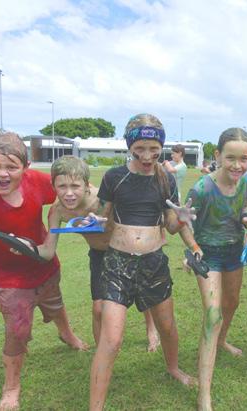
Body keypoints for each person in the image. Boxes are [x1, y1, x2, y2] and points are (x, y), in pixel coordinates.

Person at [89, 114, 198, 411]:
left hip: (153, 263)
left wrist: (183, 222)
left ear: (161, 147)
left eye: (154, 149)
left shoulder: (166, 179)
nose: (147, 156)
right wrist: (91, 220)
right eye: (140, 149)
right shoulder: (114, 177)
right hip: (117, 264)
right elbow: (101, 215)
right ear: (129, 146)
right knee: (112, 340)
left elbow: (171, 226)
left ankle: (173, 367)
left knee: (167, 327)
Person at [13, 155, 161, 351]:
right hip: (99, 255)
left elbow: (135, 219)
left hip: (126, 250)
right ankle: (101, 354)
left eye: (75, 186)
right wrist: (26, 247)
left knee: (143, 295)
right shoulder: (58, 211)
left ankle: (151, 328)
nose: (69, 193)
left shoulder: (102, 199)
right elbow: (48, 251)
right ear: (53, 186)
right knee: (98, 309)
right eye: (62, 186)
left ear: (87, 185)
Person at [0, 133, 88, 411]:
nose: (2, 174)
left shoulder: (36, 182)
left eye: (11, 167)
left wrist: (84, 211)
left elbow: (73, 192)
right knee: (17, 328)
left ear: (26, 167)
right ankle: (11, 387)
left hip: (45, 265)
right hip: (9, 276)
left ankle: (66, 333)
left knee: (54, 302)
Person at [187, 127, 247, 411]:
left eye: (244, 159)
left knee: (232, 303)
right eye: (230, 158)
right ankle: (204, 394)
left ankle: (221, 341)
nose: (237, 165)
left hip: (233, 252)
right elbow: (184, 224)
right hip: (208, 255)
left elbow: (241, 210)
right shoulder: (202, 189)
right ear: (217, 155)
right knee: (212, 314)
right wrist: (193, 249)